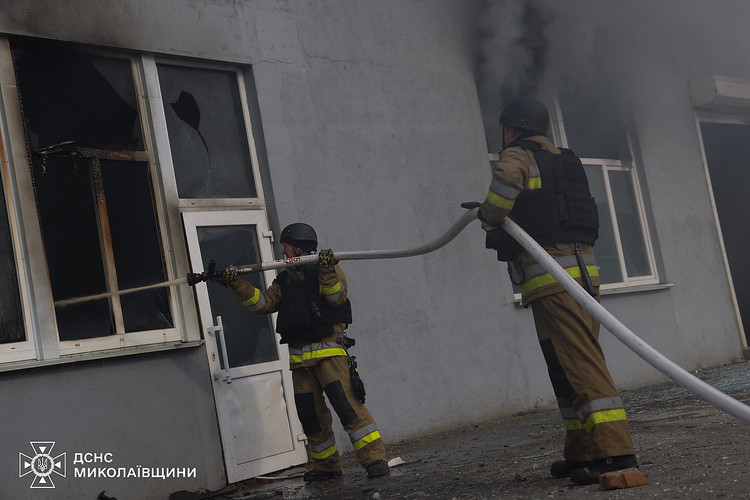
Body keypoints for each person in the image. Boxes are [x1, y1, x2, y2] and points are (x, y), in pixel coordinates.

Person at [477, 97, 639, 485]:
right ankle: (582, 450)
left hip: (553, 280)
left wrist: (487, 216)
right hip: (581, 276)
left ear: (512, 129)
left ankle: (615, 454)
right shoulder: (565, 159)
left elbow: (501, 192)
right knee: (564, 366)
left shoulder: (518, 155)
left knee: (580, 363)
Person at [214, 222, 390, 482]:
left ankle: (374, 460)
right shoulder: (285, 280)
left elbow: (336, 298)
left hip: (329, 356)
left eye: (285, 245)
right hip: (300, 362)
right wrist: (236, 284)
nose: (282, 251)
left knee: (348, 408)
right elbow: (262, 304)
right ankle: (327, 467)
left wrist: (326, 269)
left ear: (298, 247)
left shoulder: (326, 268)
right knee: (310, 416)